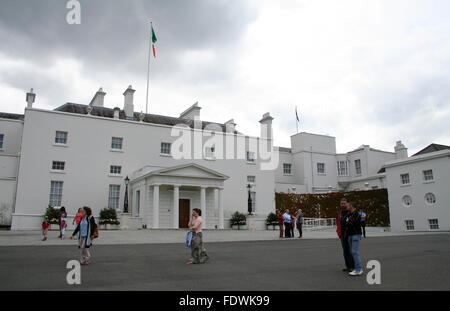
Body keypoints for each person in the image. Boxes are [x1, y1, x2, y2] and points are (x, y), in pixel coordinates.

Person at [345, 201, 363, 276]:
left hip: (355, 234)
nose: (347, 206)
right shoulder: (350, 214)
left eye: (348, 205)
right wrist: (348, 221)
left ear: (352, 206)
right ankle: (356, 268)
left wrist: (348, 221)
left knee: (354, 252)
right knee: (353, 252)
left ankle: (358, 269)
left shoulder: (356, 214)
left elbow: (352, 223)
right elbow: (347, 222)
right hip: (350, 234)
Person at [336, 198, 354, 272]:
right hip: (342, 235)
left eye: (344, 203)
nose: (343, 205)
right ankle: (348, 266)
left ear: (347, 204)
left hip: (349, 234)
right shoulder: (341, 213)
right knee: (345, 251)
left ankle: (352, 266)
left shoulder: (350, 212)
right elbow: (339, 223)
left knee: (350, 251)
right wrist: (338, 232)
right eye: (342, 203)